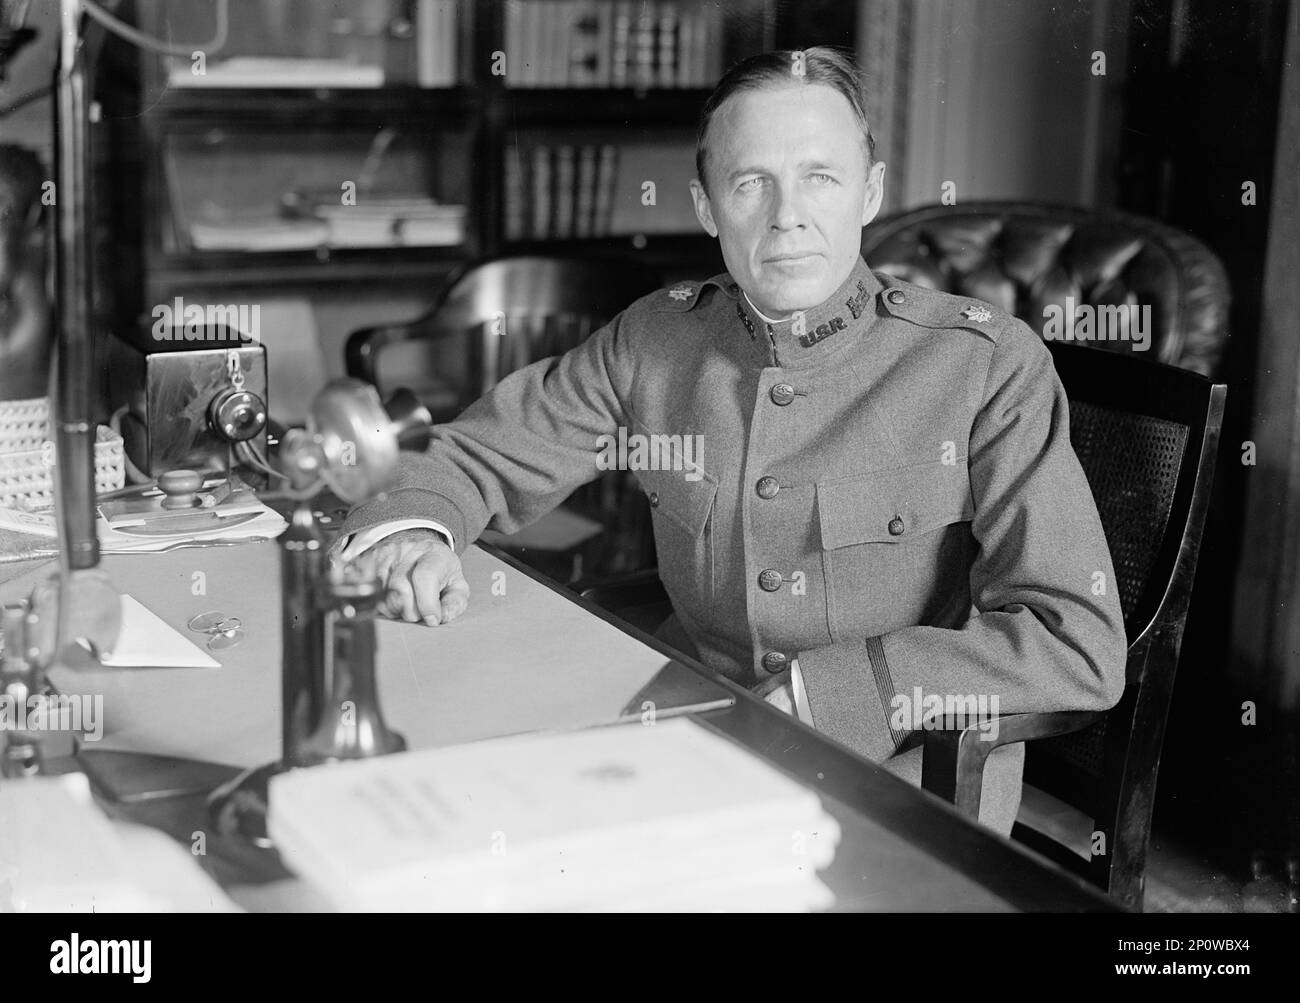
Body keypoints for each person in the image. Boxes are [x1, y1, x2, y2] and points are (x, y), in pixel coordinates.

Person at [333, 47, 1127, 835]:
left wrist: (850, 691)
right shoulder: (656, 338)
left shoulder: (980, 361)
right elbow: (485, 451)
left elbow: (1075, 639)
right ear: (708, 207)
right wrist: (416, 531)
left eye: (821, 176)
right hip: (691, 741)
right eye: (751, 183)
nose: (788, 215)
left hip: (904, 785)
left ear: (870, 194)